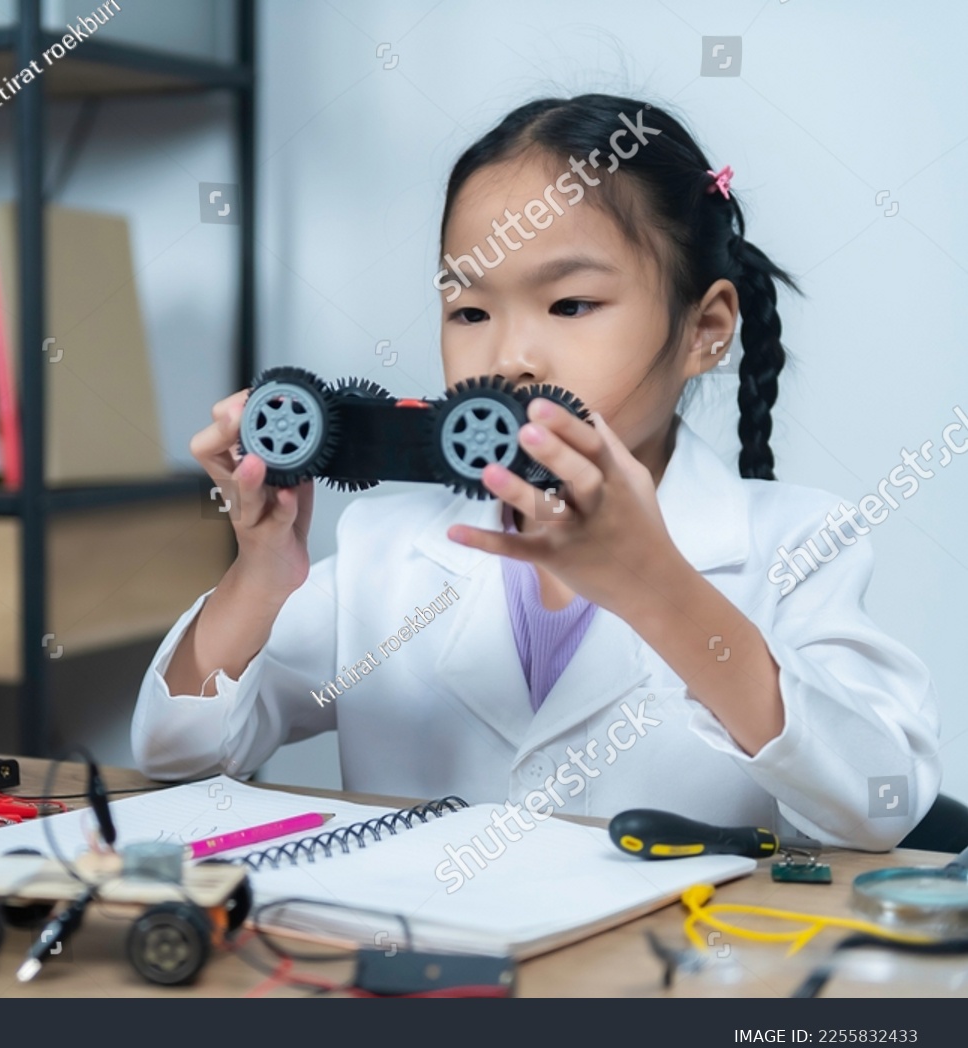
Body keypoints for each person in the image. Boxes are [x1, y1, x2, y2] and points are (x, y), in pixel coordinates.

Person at [130, 94, 939, 850]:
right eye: (469, 312)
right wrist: (263, 572)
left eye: (571, 305)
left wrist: (660, 588)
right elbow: (179, 754)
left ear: (707, 329)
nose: (511, 358)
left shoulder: (796, 543)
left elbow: (881, 807)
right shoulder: (386, 548)